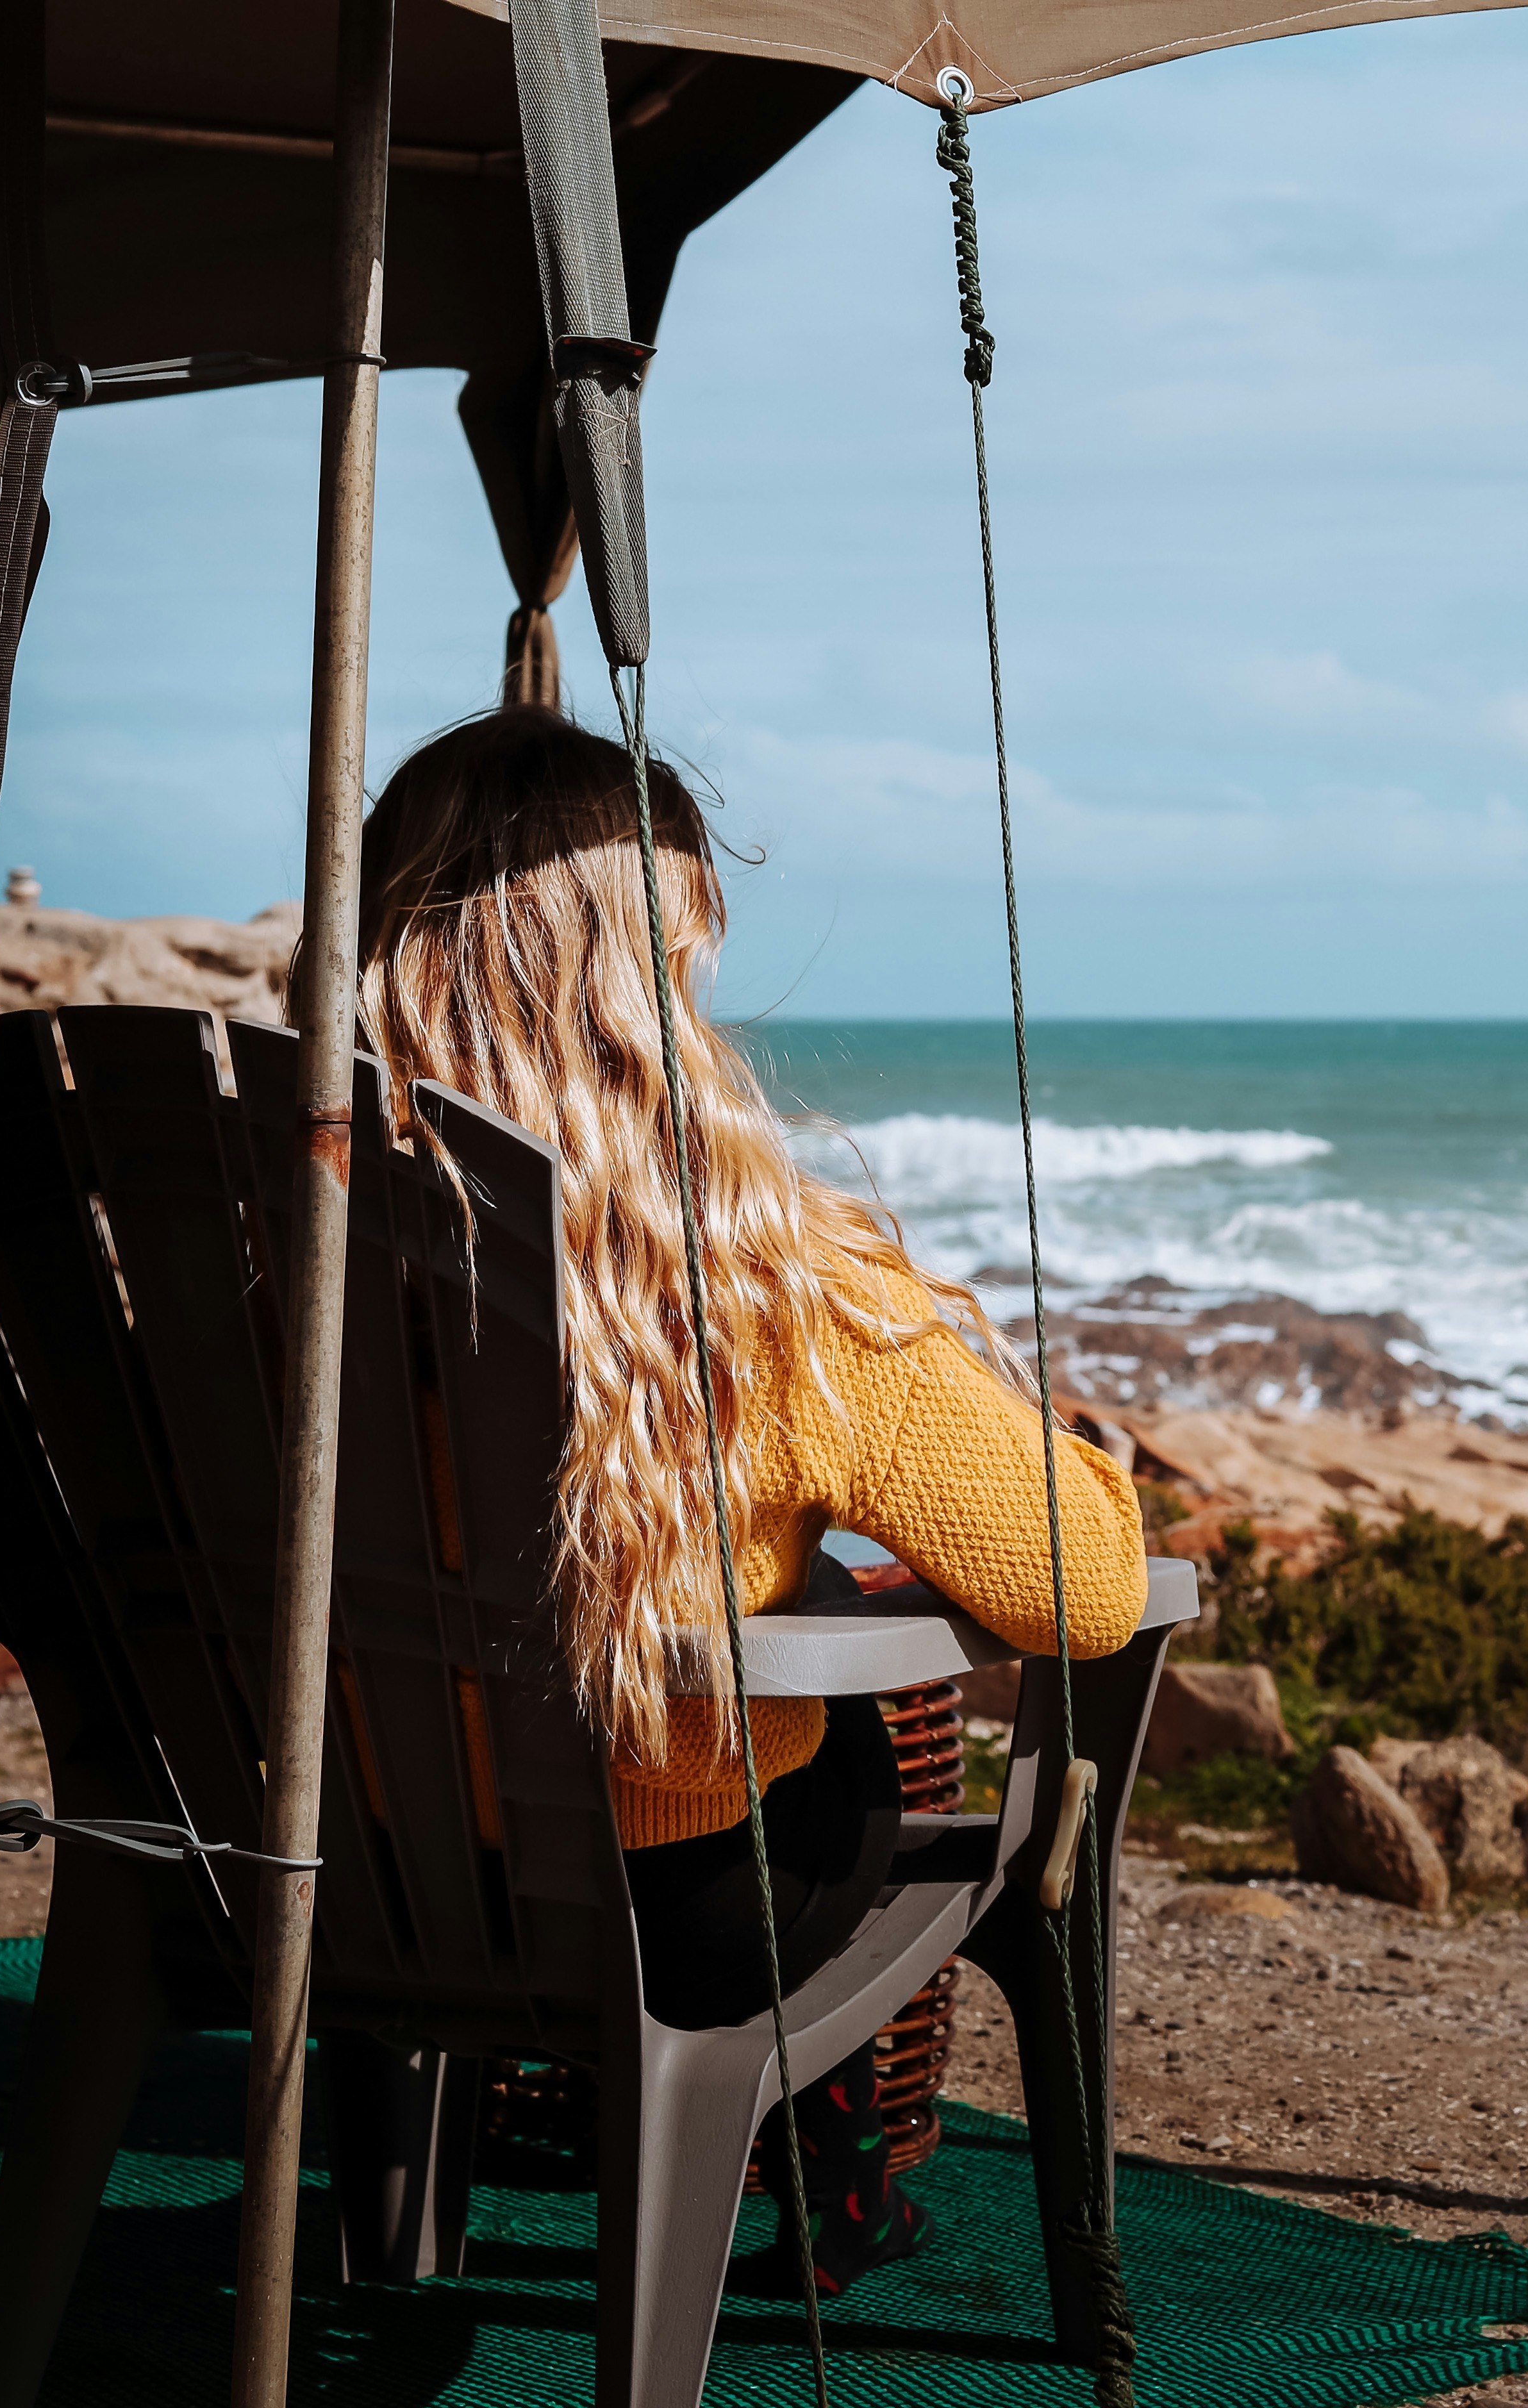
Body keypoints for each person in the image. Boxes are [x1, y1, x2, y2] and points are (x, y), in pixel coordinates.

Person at [354, 704, 1150, 2292]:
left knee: (781, 1632)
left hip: (333, 1868)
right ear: (663, 961)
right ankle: (841, 2196)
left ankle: (403, 2207)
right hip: (671, 1912)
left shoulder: (286, 1221)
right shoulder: (766, 1276)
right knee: (832, 1713)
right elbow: (1086, 1593)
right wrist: (1097, 1471)